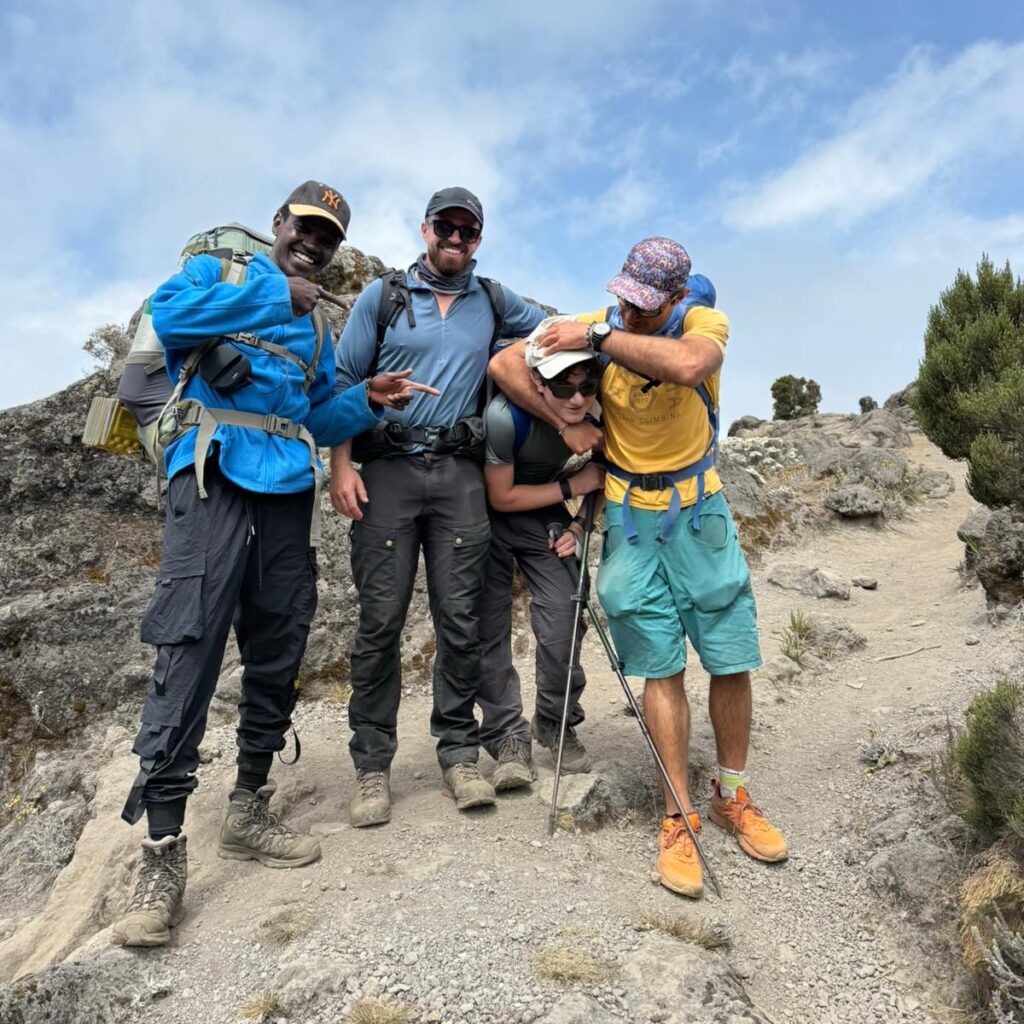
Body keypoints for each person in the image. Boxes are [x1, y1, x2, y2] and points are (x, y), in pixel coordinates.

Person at [113, 181, 430, 948]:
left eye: (328, 238)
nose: (314, 244)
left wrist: (367, 401)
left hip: (286, 488)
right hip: (211, 473)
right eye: (306, 228)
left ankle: (249, 806)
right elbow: (171, 320)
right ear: (279, 226)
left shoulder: (318, 327)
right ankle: (161, 853)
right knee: (186, 648)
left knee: (280, 643)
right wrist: (271, 292)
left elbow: (314, 415)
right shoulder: (222, 277)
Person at [488, 238, 788, 899]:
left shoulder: (699, 323)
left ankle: (731, 797)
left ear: (677, 299)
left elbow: (688, 366)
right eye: (624, 299)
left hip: (697, 511)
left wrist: (597, 334)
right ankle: (679, 815)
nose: (629, 313)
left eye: (645, 307)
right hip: (626, 514)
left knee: (729, 654)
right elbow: (507, 362)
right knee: (659, 664)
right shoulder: (605, 320)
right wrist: (560, 423)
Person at [330, 187, 547, 825]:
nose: (455, 239)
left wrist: (614, 327)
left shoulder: (494, 300)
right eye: (444, 228)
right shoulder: (383, 296)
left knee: (460, 618)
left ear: (478, 239)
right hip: (388, 470)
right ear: (425, 229)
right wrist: (341, 465)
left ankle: (458, 753)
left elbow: (555, 333)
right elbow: (345, 383)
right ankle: (372, 767)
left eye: (467, 231)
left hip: (459, 474)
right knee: (379, 623)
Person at [477, 318, 605, 789]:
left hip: (544, 513)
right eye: (561, 386)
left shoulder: (599, 413)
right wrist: (573, 485)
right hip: (488, 511)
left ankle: (556, 722)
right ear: (537, 382)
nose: (576, 398)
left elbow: (605, 472)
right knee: (488, 626)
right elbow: (501, 498)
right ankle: (507, 736)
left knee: (564, 614)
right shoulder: (504, 418)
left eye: (586, 386)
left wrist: (578, 523)